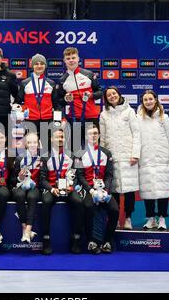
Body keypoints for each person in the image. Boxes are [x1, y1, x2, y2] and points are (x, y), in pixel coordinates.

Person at [99, 86, 140, 230]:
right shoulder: (104, 114)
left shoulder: (129, 112)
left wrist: (135, 154)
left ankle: (128, 218)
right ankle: (115, 219)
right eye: (109, 95)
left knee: (129, 190)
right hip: (112, 157)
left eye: (114, 94)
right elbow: (102, 138)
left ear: (119, 94)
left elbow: (136, 134)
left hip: (129, 157)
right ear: (106, 99)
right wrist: (102, 157)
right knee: (114, 190)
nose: (112, 96)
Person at [40, 127, 84, 255]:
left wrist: (71, 187)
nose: (60, 139)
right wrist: (51, 189)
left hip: (68, 189)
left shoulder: (72, 155)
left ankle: (76, 238)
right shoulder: (45, 156)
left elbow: (77, 175)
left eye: (62, 137)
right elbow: (42, 179)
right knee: (46, 202)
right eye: (57, 137)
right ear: (51, 139)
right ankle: (46, 239)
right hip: (53, 188)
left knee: (79, 202)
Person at [76, 124, 119, 254]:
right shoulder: (79, 154)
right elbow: (79, 175)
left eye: (95, 133)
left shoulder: (106, 153)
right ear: (86, 136)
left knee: (114, 209)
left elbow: (109, 175)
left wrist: (104, 190)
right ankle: (91, 241)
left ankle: (107, 241)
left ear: (99, 135)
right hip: (88, 189)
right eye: (90, 133)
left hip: (103, 190)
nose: (93, 135)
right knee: (88, 207)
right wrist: (91, 190)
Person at [137, 90, 169, 231]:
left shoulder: (163, 118)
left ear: (155, 100)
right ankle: (151, 218)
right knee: (148, 191)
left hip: (162, 160)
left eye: (150, 99)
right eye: (145, 99)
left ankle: (162, 219)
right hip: (145, 159)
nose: (148, 102)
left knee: (163, 191)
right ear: (143, 102)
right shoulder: (138, 119)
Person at [57, 47, 102, 149]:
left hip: (91, 117)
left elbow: (100, 92)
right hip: (74, 119)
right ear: (64, 61)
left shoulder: (89, 74)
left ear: (78, 59)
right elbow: (58, 103)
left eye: (73, 57)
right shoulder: (62, 80)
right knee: (74, 149)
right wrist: (65, 99)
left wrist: (91, 95)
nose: (71, 60)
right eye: (68, 58)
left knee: (93, 149)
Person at [18, 53, 59, 139]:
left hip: (47, 120)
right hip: (30, 121)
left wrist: (58, 121)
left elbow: (56, 104)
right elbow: (18, 103)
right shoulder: (25, 83)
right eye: (36, 64)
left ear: (45, 66)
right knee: (30, 148)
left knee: (46, 148)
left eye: (42, 63)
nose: (39, 66)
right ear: (32, 66)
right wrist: (20, 117)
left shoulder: (51, 83)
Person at [11, 132, 42, 243]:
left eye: (35, 142)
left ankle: (27, 230)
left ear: (38, 144)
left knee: (32, 197)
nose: (33, 145)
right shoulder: (20, 159)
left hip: (35, 186)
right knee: (19, 195)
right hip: (20, 185)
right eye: (30, 142)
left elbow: (43, 178)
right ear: (26, 145)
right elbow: (12, 180)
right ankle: (25, 229)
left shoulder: (42, 158)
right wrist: (19, 178)